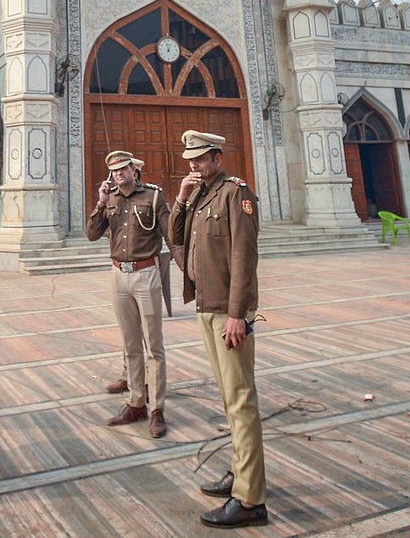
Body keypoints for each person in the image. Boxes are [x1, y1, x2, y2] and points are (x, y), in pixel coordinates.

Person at [168, 130, 269, 529]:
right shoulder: (200, 194)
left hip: (228, 313)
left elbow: (244, 256)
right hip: (207, 305)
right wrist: (181, 198)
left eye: (201, 158)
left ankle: (250, 499)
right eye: (190, 159)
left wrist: (237, 313)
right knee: (229, 398)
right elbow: (175, 238)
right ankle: (241, 472)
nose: (194, 164)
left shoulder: (235, 194)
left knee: (241, 400)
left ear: (218, 158)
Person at [86, 150, 172, 438]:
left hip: (146, 273)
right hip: (119, 276)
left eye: (123, 168)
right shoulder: (110, 199)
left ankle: (156, 409)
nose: (119, 174)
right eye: (114, 170)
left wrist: (190, 273)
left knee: (153, 346)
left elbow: (171, 235)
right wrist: (100, 202)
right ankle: (136, 403)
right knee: (131, 344)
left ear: (134, 171)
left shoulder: (153, 197)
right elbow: (92, 234)